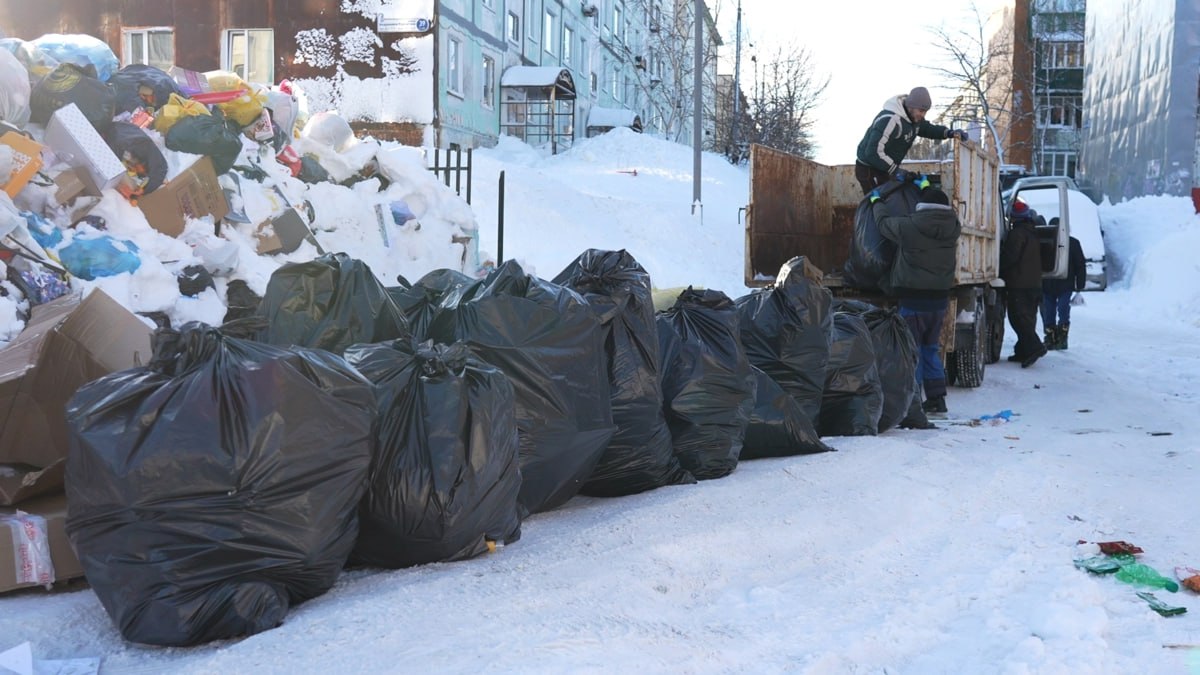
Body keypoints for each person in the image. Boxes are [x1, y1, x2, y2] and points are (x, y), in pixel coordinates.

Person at [870, 183, 962, 417]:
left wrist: (876, 202)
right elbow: (935, 208)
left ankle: (912, 403)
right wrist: (927, 187)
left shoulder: (911, 226)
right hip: (939, 303)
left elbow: (883, 225)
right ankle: (937, 399)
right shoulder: (954, 227)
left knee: (911, 352)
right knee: (930, 349)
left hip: (912, 301)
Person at [855, 86, 969, 195]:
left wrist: (949, 133)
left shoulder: (914, 119)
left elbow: (927, 128)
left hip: (884, 168)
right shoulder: (890, 120)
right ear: (910, 106)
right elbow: (872, 152)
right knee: (877, 203)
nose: (923, 115)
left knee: (892, 200)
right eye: (921, 110)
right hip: (868, 168)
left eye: (925, 111)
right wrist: (896, 170)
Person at [1000, 199, 1048, 367]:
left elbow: (1011, 256)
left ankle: (1035, 347)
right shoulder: (1032, 232)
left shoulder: (1017, 234)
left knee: (1018, 318)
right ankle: (1022, 351)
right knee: (1027, 318)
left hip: (1019, 283)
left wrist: (999, 267)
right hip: (1034, 283)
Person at [1041, 235, 1086, 350]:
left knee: (1050, 311)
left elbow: (1080, 264)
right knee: (1061, 310)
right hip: (1062, 284)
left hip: (1051, 284)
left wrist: (1080, 285)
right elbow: (1080, 265)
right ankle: (1059, 338)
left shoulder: (1045, 240)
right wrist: (1079, 285)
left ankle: (1053, 338)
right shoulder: (1073, 242)